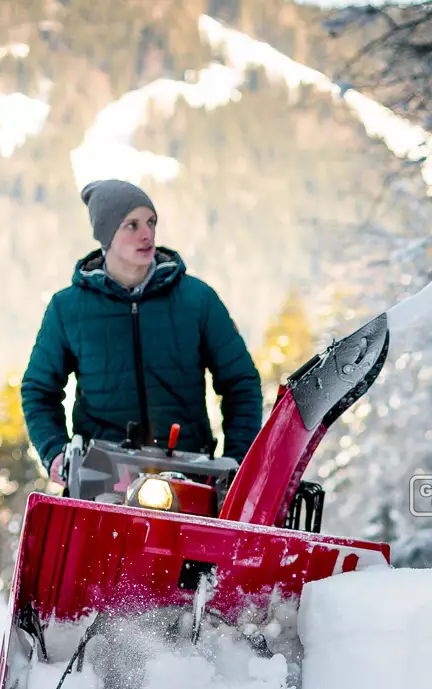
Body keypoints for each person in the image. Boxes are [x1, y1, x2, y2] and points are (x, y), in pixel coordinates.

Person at [21, 179, 264, 482]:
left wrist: (237, 459)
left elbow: (240, 381)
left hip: (190, 476)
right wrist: (55, 453)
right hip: (101, 480)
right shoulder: (68, 308)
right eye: (132, 225)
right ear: (106, 234)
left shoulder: (197, 299)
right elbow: (38, 390)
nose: (147, 234)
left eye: (151, 222)